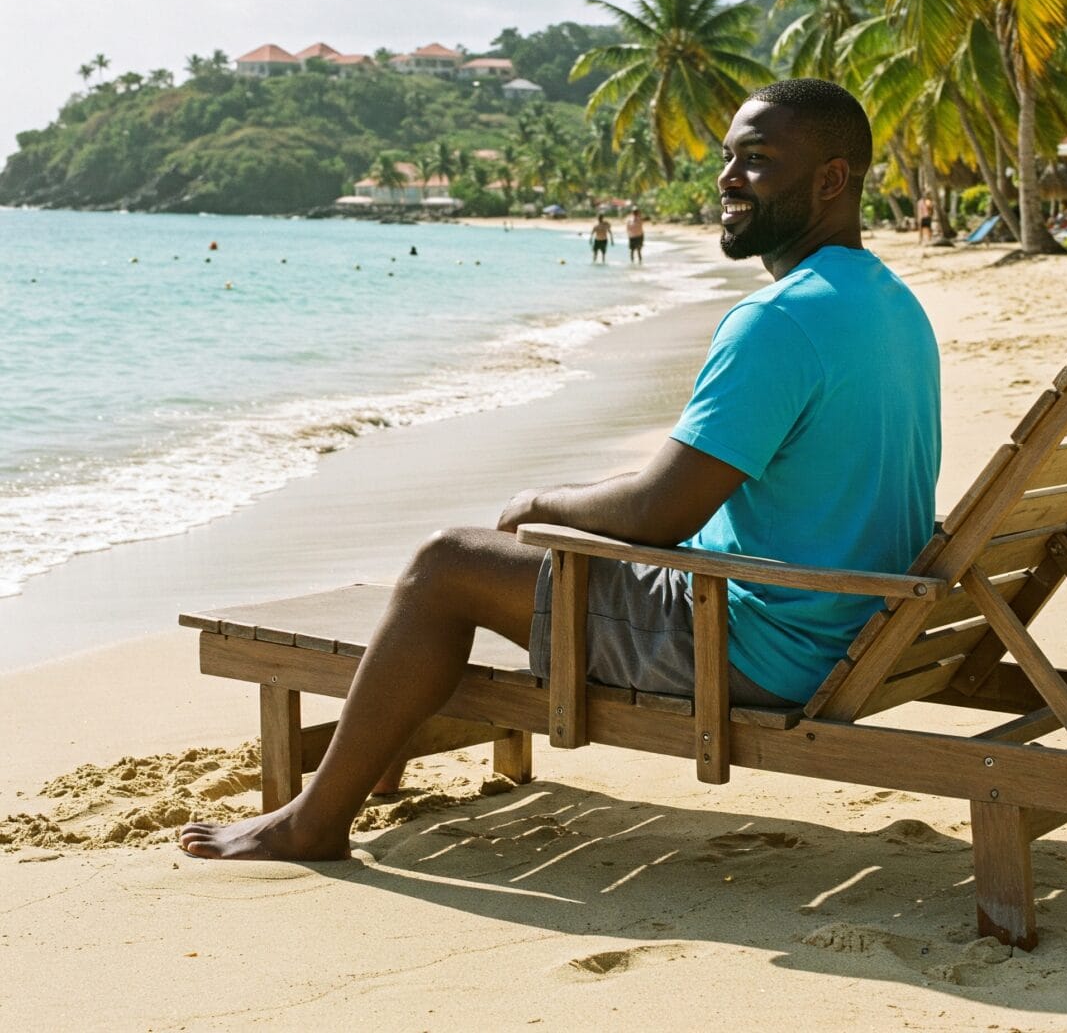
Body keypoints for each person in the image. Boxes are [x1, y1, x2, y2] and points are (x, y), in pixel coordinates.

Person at [178, 78, 940, 862]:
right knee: (518, 557)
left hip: (759, 646)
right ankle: (376, 760)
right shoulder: (890, 304)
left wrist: (539, 502)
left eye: (757, 160)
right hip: (852, 623)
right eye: (726, 157)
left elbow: (658, 514)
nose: (727, 178)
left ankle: (312, 824)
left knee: (447, 565)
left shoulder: (777, 322)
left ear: (831, 179)